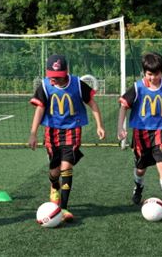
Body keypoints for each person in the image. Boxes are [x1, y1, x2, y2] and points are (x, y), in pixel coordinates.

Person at [28, 54, 105, 222]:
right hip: (52, 132)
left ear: (66, 72)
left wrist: (99, 125)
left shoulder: (77, 84)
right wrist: (33, 133)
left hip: (72, 130)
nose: (54, 80)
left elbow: (92, 103)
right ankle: (54, 185)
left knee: (66, 167)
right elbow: (39, 109)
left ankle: (63, 207)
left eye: (58, 77)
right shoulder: (45, 85)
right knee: (54, 171)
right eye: (51, 77)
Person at [117, 52, 162, 217]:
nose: (153, 77)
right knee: (140, 169)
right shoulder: (138, 87)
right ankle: (138, 186)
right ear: (144, 72)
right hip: (141, 133)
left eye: (156, 73)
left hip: (161, 131)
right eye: (149, 74)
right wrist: (120, 127)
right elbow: (124, 106)